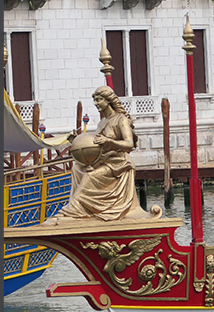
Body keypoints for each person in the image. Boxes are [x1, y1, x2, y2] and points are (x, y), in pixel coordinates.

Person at [56, 86, 153, 221]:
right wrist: (77, 141)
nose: (96, 103)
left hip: (118, 162)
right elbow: (95, 144)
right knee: (76, 168)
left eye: (99, 100)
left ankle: (74, 209)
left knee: (90, 176)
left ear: (108, 100)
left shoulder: (121, 119)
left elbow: (129, 144)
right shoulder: (102, 122)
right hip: (104, 160)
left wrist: (110, 142)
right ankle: (83, 208)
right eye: (95, 100)